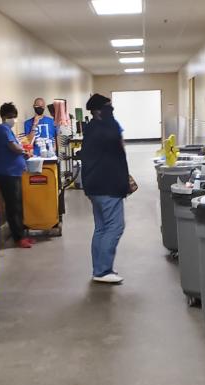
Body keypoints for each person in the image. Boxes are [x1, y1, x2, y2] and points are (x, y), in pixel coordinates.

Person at [81, 93, 129, 284]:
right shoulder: (104, 129)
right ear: (101, 111)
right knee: (115, 226)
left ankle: (99, 268)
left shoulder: (91, 128)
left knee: (101, 228)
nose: (112, 112)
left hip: (95, 185)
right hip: (106, 185)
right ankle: (102, 271)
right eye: (109, 108)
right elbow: (118, 141)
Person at [0, 102, 33, 249]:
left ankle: (21, 234)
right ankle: (18, 238)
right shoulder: (2, 129)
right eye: (10, 117)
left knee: (17, 204)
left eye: (14, 117)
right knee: (13, 206)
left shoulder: (8, 130)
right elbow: (14, 147)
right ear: (3, 116)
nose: (13, 119)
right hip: (6, 174)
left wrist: (24, 153)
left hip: (13, 173)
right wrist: (24, 152)